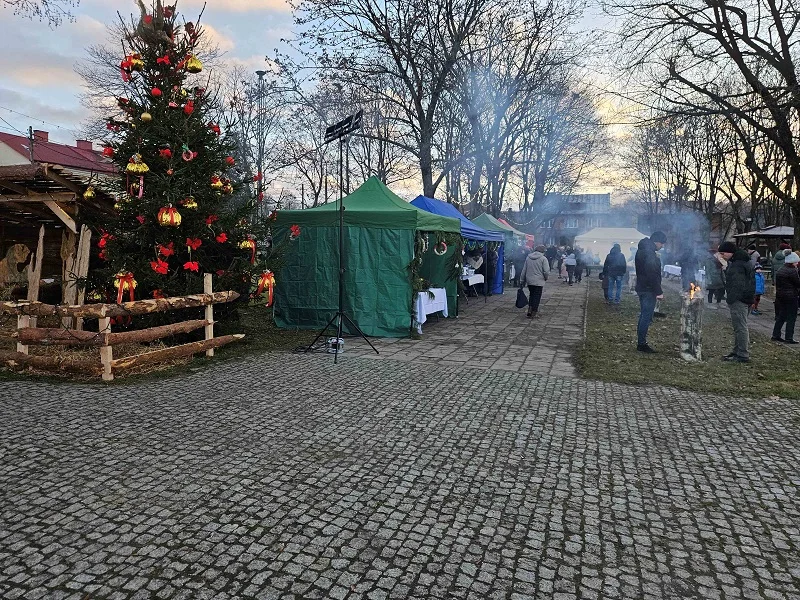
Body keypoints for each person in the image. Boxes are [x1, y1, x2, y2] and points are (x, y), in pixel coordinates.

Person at [718, 241, 756, 363]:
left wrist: (731, 299)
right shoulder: (743, 261)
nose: (722, 256)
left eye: (723, 253)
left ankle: (743, 354)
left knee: (740, 327)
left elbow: (736, 284)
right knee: (739, 327)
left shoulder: (737, 265)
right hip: (747, 297)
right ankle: (737, 351)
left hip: (739, 300)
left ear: (730, 252)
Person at [634, 231, 667, 353]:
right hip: (648, 289)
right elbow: (652, 273)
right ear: (656, 242)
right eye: (662, 243)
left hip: (642, 287)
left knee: (644, 315)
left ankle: (641, 342)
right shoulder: (650, 254)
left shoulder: (641, 250)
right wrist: (658, 291)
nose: (662, 246)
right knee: (646, 317)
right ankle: (641, 344)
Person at [772, 252, 800, 344]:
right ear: (792, 262)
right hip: (791, 296)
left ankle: (776, 335)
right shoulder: (792, 271)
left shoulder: (781, 269)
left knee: (781, 316)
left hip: (781, 296)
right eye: (796, 262)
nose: (797, 264)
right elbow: (798, 283)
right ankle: (789, 337)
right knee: (792, 317)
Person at [519, 245, 550, 318]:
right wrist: (546, 278)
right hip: (539, 280)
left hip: (529, 280)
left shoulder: (528, 258)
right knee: (537, 296)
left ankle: (530, 309)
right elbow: (546, 271)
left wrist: (522, 279)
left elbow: (524, 269)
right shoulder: (543, 259)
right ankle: (534, 312)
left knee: (532, 295)